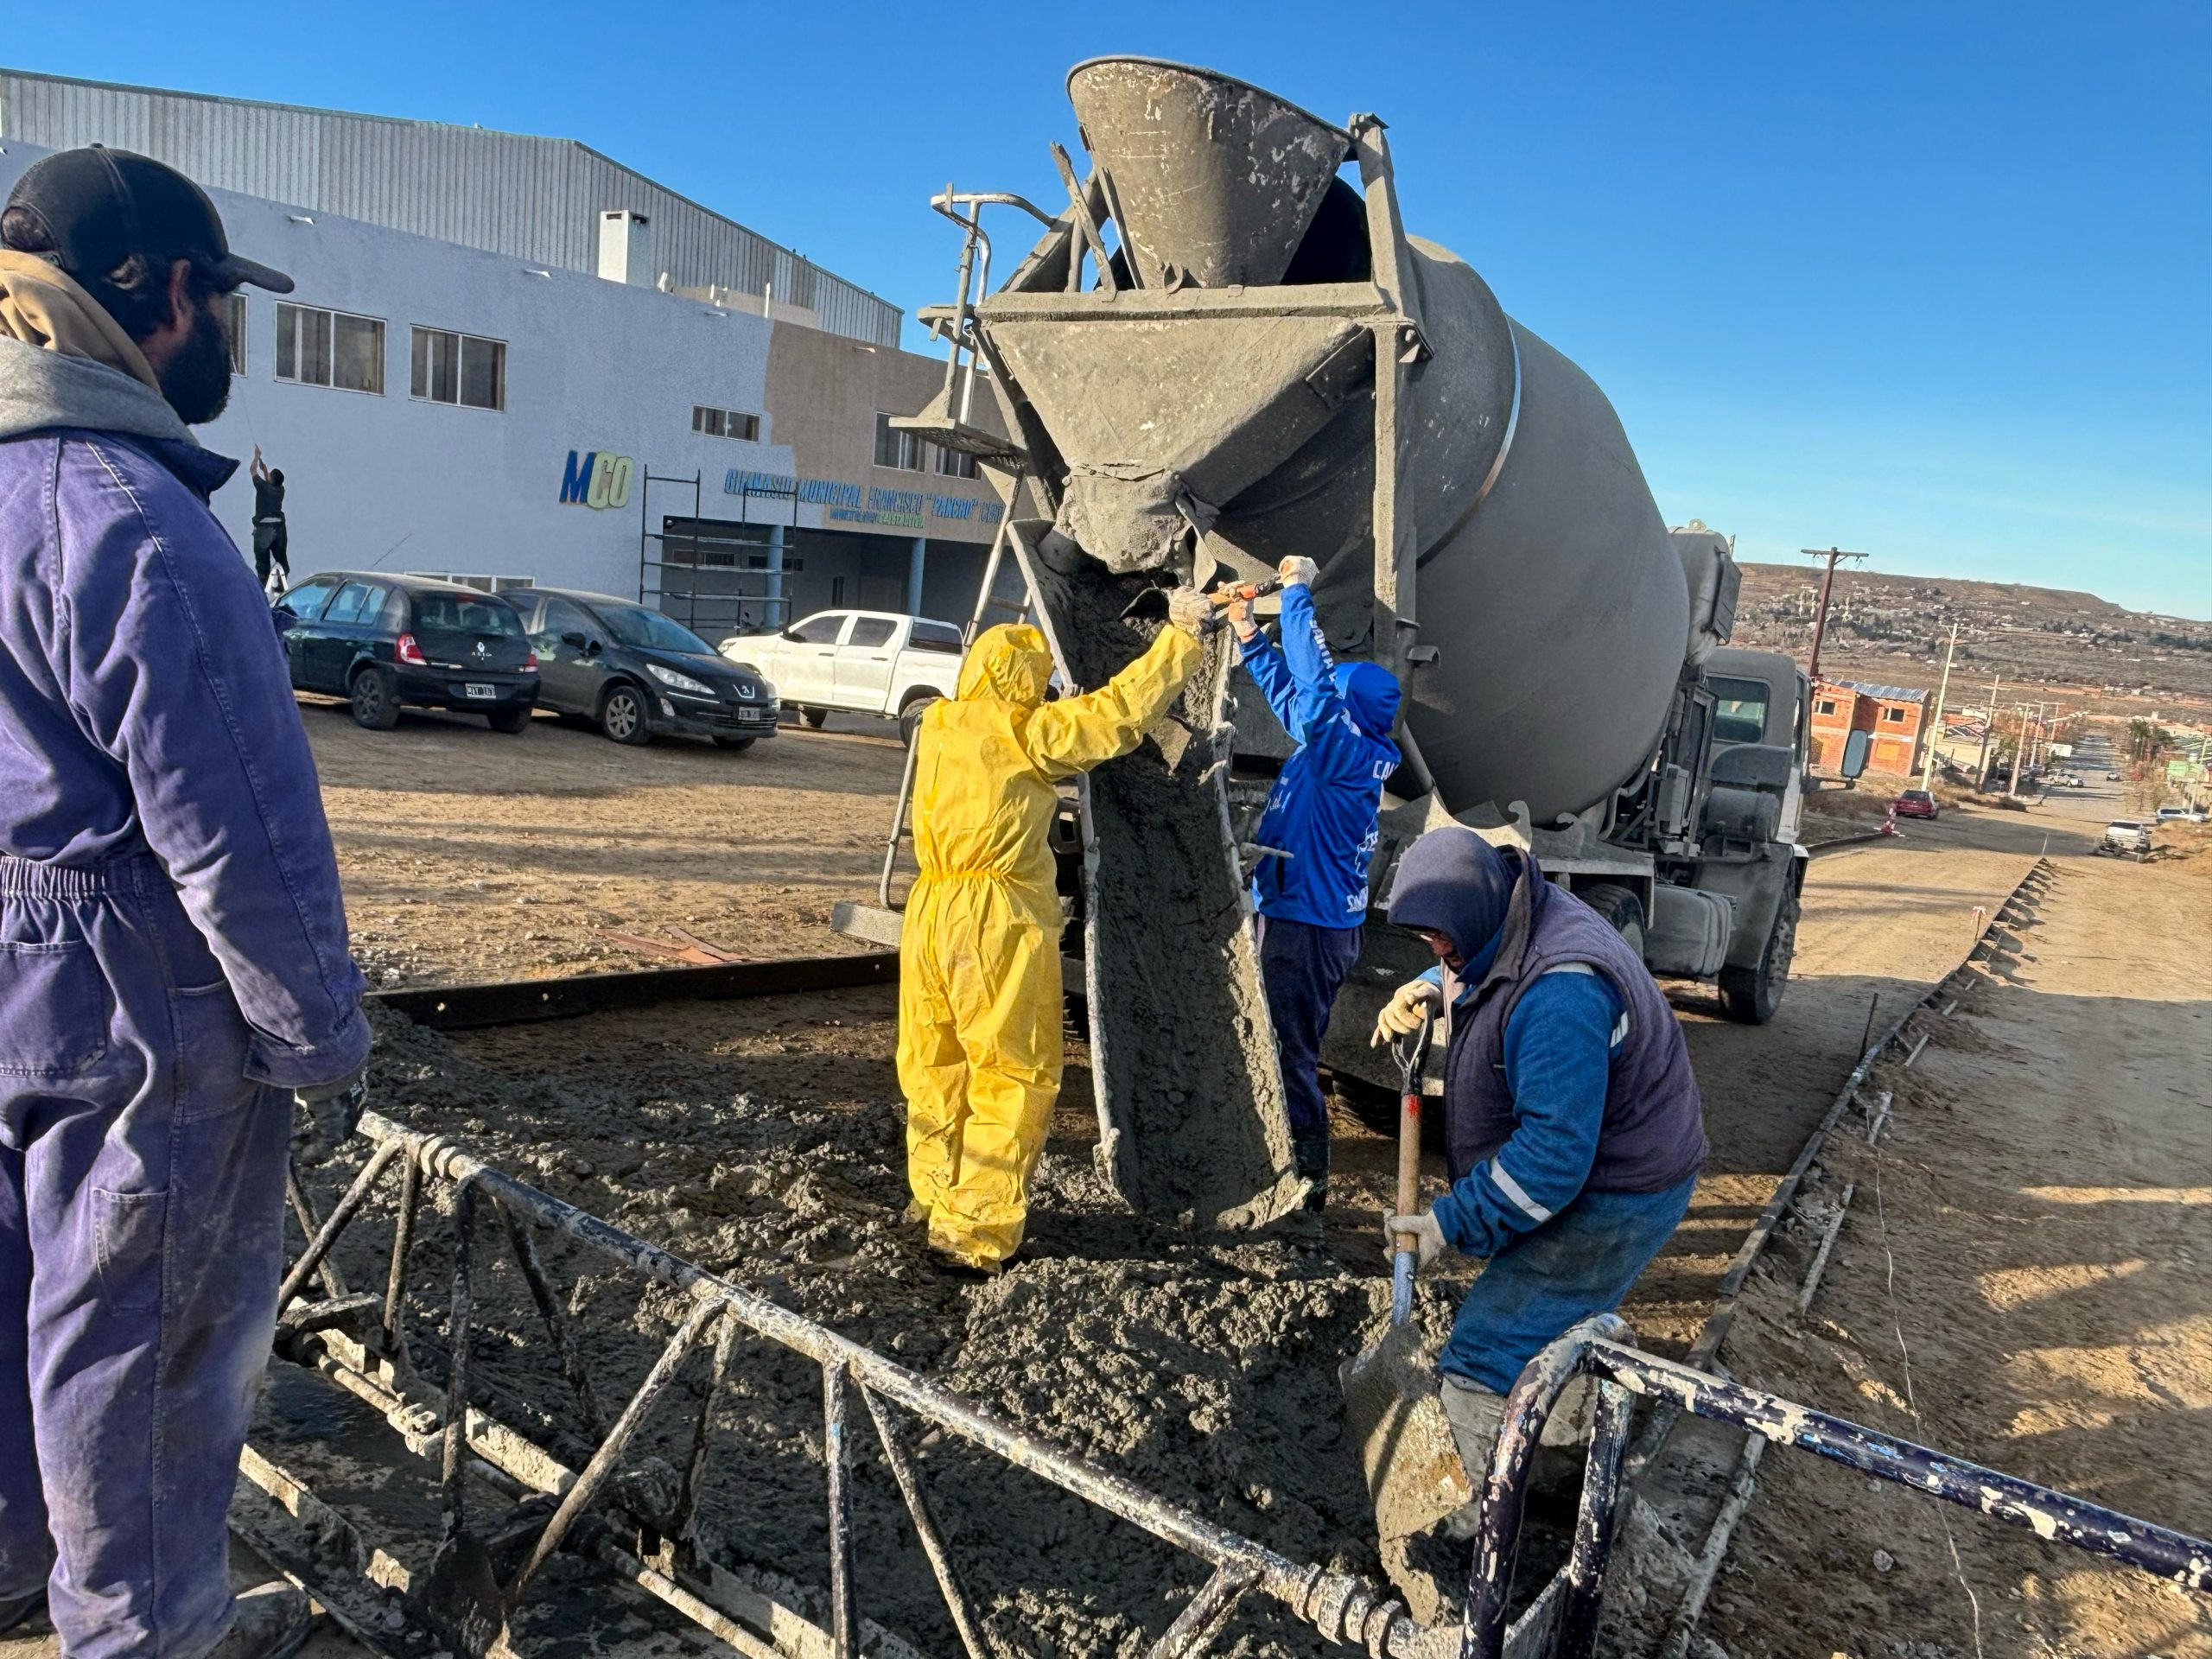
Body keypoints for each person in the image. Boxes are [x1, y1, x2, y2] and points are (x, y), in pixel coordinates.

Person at [0, 147, 370, 1657]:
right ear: (158, 294)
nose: (228, 329)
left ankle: (25, 1577)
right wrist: (319, 1040)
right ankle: (145, 1635)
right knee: (142, 1344)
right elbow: (240, 841)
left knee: (20, 1295)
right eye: (221, 296)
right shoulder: (133, 522)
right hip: (136, 990)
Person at [1371, 827, 1706, 1478]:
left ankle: (1460, 1517)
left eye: (1443, 942)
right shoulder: (1512, 908)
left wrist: (1448, 1224)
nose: (1438, 950)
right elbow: (1485, 960)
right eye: (1427, 941)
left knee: (1490, 1345)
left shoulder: (1562, 994)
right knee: (1556, 1326)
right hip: (1612, 1155)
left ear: (1477, 912)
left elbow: (1552, 1161)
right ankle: (1561, 1449)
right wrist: (1431, 984)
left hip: (1620, 1191)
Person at [899, 596, 1214, 1272]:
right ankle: (973, 1234)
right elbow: (1117, 717)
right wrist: (1181, 639)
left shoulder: (940, 724)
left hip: (929, 907)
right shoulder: (1029, 734)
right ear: (1030, 683)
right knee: (1010, 1070)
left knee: (934, 1061)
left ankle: (933, 1195)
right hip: (996, 917)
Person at [1228, 556, 1400, 1210]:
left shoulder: (1343, 757)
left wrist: (1296, 594)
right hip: (1304, 919)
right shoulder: (1334, 749)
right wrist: (1249, 633)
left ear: (1349, 710)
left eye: (1331, 698)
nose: (1316, 705)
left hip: (1306, 931)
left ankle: (1306, 1181)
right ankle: (1283, 1163)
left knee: (1287, 1052)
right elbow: (1292, 697)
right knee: (1279, 1045)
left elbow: (1314, 689)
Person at [249, 444, 288, 591]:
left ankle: (264, 591)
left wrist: (256, 456)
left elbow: (252, 471)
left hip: (264, 529)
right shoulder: (280, 490)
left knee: (262, 564)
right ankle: (280, 589)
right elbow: (270, 483)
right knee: (281, 560)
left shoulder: (263, 487)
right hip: (279, 529)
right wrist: (265, 471)